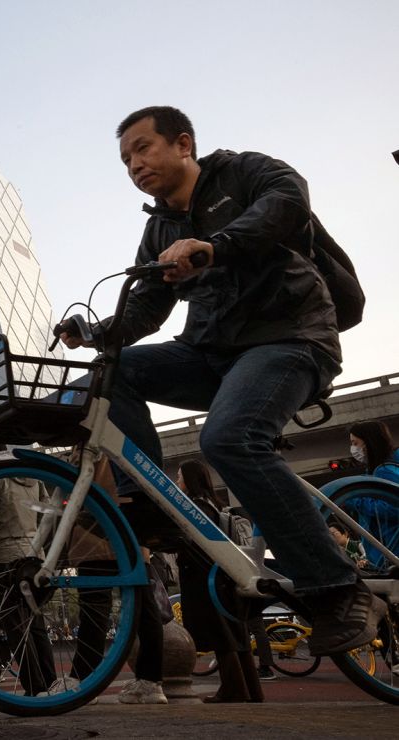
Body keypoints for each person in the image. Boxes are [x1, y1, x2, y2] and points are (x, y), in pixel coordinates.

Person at [60, 105, 385, 659]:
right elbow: (147, 308)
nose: (134, 164)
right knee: (113, 375)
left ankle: (339, 587)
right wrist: (94, 332)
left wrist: (216, 245)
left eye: (143, 148)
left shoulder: (245, 174)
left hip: (289, 338)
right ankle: (148, 502)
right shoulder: (159, 227)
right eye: (125, 159)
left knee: (227, 438)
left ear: (183, 143)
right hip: (210, 354)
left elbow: (287, 203)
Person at [0, 441, 57, 697]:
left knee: (15, 627)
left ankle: (34, 688)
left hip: (5, 558)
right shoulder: (31, 473)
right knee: (36, 623)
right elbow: (47, 512)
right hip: (34, 557)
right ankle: (52, 684)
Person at [175, 460, 262, 703]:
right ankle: (252, 690)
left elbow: (191, 542)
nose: (177, 481)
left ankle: (233, 689)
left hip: (204, 578)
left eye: (180, 477)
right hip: (223, 575)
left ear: (191, 480)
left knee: (220, 633)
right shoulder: (215, 505)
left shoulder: (196, 507)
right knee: (236, 632)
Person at [349, 421, 399, 485]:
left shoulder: (383, 472)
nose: (353, 448)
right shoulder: (392, 462)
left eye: (355, 443)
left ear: (369, 442)